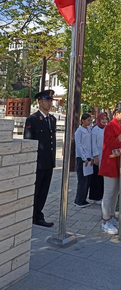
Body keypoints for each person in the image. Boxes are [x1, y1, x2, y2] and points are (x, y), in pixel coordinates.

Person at [23, 89, 56, 227]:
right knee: (35, 191)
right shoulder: (33, 119)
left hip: (49, 162)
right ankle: (32, 215)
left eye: (50, 100)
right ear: (39, 102)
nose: (49, 103)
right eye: (47, 100)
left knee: (44, 191)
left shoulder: (52, 119)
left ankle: (38, 215)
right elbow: (28, 142)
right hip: (38, 162)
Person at [99, 102, 121, 235]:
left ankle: (111, 216)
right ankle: (105, 221)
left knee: (115, 192)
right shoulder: (111, 126)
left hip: (119, 162)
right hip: (110, 163)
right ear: (116, 113)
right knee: (109, 193)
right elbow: (111, 144)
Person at [74, 113, 99, 208]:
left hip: (89, 157)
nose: (89, 122)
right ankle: (78, 200)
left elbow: (91, 144)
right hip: (82, 158)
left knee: (88, 180)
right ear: (82, 120)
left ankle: (84, 198)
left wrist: (92, 157)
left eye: (90, 120)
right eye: (88, 120)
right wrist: (84, 158)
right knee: (82, 180)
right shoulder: (79, 131)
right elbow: (79, 146)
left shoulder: (89, 130)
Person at [89, 112, 108, 204]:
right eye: (102, 119)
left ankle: (102, 195)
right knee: (97, 177)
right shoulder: (95, 130)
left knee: (103, 177)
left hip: (106, 155)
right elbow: (94, 144)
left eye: (105, 119)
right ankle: (96, 197)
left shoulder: (106, 129)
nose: (104, 121)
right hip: (98, 156)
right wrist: (95, 156)